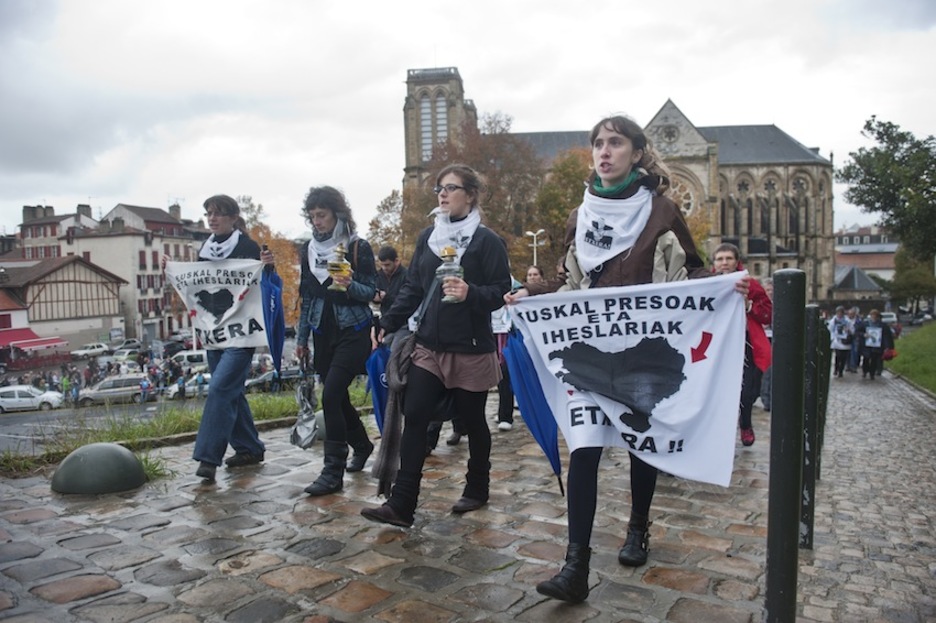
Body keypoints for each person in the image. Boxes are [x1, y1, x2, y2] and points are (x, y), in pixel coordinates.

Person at [504, 115, 750, 603]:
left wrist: (728, 285)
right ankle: (575, 566)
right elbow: (568, 283)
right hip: (591, 355)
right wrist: (529, 295)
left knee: (642, 443)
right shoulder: (580, 216)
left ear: (636, 153)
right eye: (598, 143)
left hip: (643, 352)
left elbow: (691, 270)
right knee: (586, 450)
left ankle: (638, 527)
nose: (604, 151)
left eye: (615, 143)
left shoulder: (660, 211)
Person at [361, 163, 512, 527]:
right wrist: (387, 322)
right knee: (415, 415)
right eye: (439, 189)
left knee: (473, 420)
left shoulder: (486, 241)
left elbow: (500, 291)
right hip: (428, 346)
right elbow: (413, 286)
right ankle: (402, 504)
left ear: (470, 195)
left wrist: (470, 292)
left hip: (471, 347)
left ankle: (477, 486)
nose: (443, 194)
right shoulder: (429, 237)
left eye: (451, 188)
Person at [162, 194, 273, 482]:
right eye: (208, 213)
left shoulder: (248, 247)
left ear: (233, 218)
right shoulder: (205, 248)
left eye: (218, 214)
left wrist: (268, 267)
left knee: (220, 390)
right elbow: (197, 284)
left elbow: (265, 282)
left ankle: (208, 458)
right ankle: (249, 447)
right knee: (231, 391)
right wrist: (173, 269)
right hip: (213, 334)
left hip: (243, 334)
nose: (212, 218)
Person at [295, 185, 377, 495]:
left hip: (353, 331)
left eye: (322, 215)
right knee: (338, 398)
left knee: (329, 396)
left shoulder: (358, 247)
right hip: (322, 332)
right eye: (312, 216)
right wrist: (302, 338)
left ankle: (332, 471)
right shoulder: (308, 251)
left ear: (337, 215)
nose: (317, 222)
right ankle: (362, 445)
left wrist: (350, 283)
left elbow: (372, 292)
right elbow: (306, 298)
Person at [711, 243, 772, 447]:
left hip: (746, 345)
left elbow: (768, 315)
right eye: (720, 259)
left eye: (728, 258)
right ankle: (722, 432)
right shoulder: (706, 283)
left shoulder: (750, 284)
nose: (724, 263)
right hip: (716, 346)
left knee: (747, 392)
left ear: (736, 261)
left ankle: (745, 423)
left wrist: (748, 305)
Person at [861, 309, 894, 380]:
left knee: (874, 360)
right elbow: (858, 332)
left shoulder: (882, 325)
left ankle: (872, 373)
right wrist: (863, 335)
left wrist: (887, 346)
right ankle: (865, 371)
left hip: (877, 346)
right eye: (872, 315)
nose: (874, 317)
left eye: (875, 316)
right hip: (867, 345)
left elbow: (886, 336)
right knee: (866, 359)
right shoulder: (865, 324)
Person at [828, 306, 853, 378]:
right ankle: (836, 369)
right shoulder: (833, 320)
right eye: (838, 312)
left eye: (841, 312)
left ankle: (841, 371)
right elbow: (830, 329)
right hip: (837, 341)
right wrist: (832, 338)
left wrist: (848, 330)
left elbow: (852, 330)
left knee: (843, 358)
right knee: (838, 356)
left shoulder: (847, 321)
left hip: (845, 341)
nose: (839, 314)